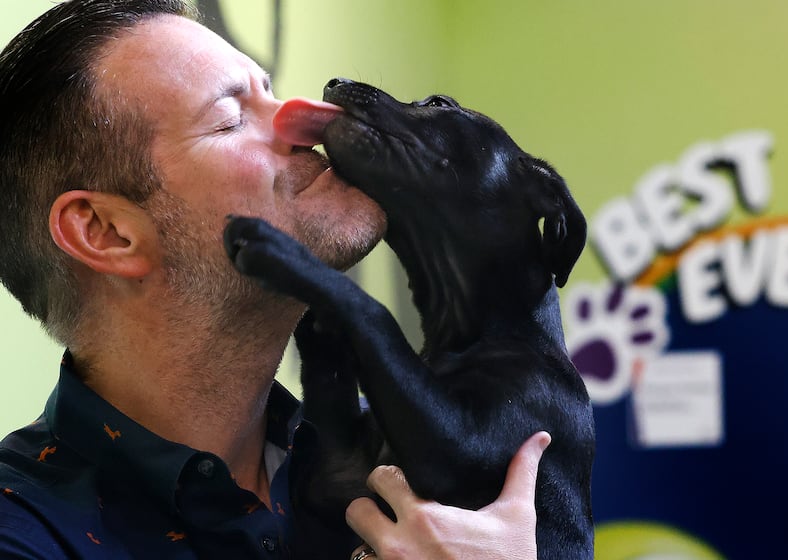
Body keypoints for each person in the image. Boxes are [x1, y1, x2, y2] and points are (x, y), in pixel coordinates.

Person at [0, 0, 549, 558]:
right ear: (106, 231)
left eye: (274, 90)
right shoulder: (22, 535)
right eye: (230, 119)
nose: (312, 118)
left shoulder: (415, 452)